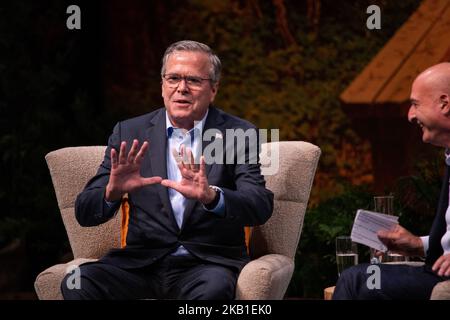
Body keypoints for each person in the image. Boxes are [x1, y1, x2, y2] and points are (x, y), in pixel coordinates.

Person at [61, 40, 274, 300]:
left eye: (194, 80)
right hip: (141, 264)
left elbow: (259, 205)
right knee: (77, 283)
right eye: (173, 78)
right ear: (162, 85)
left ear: (214, 89)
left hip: (207, 266)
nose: (181, 89)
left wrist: (212, 196)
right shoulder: (129, 132)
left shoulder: (238, 133)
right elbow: (84, 212)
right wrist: (111, 193)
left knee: (213, 291)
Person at [333, 62, 450, 300]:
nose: (410, 115)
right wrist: (418, 244)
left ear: (445, 104)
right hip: (437, 270)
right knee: (358, 279)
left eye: (415, 104)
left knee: (355, 281)